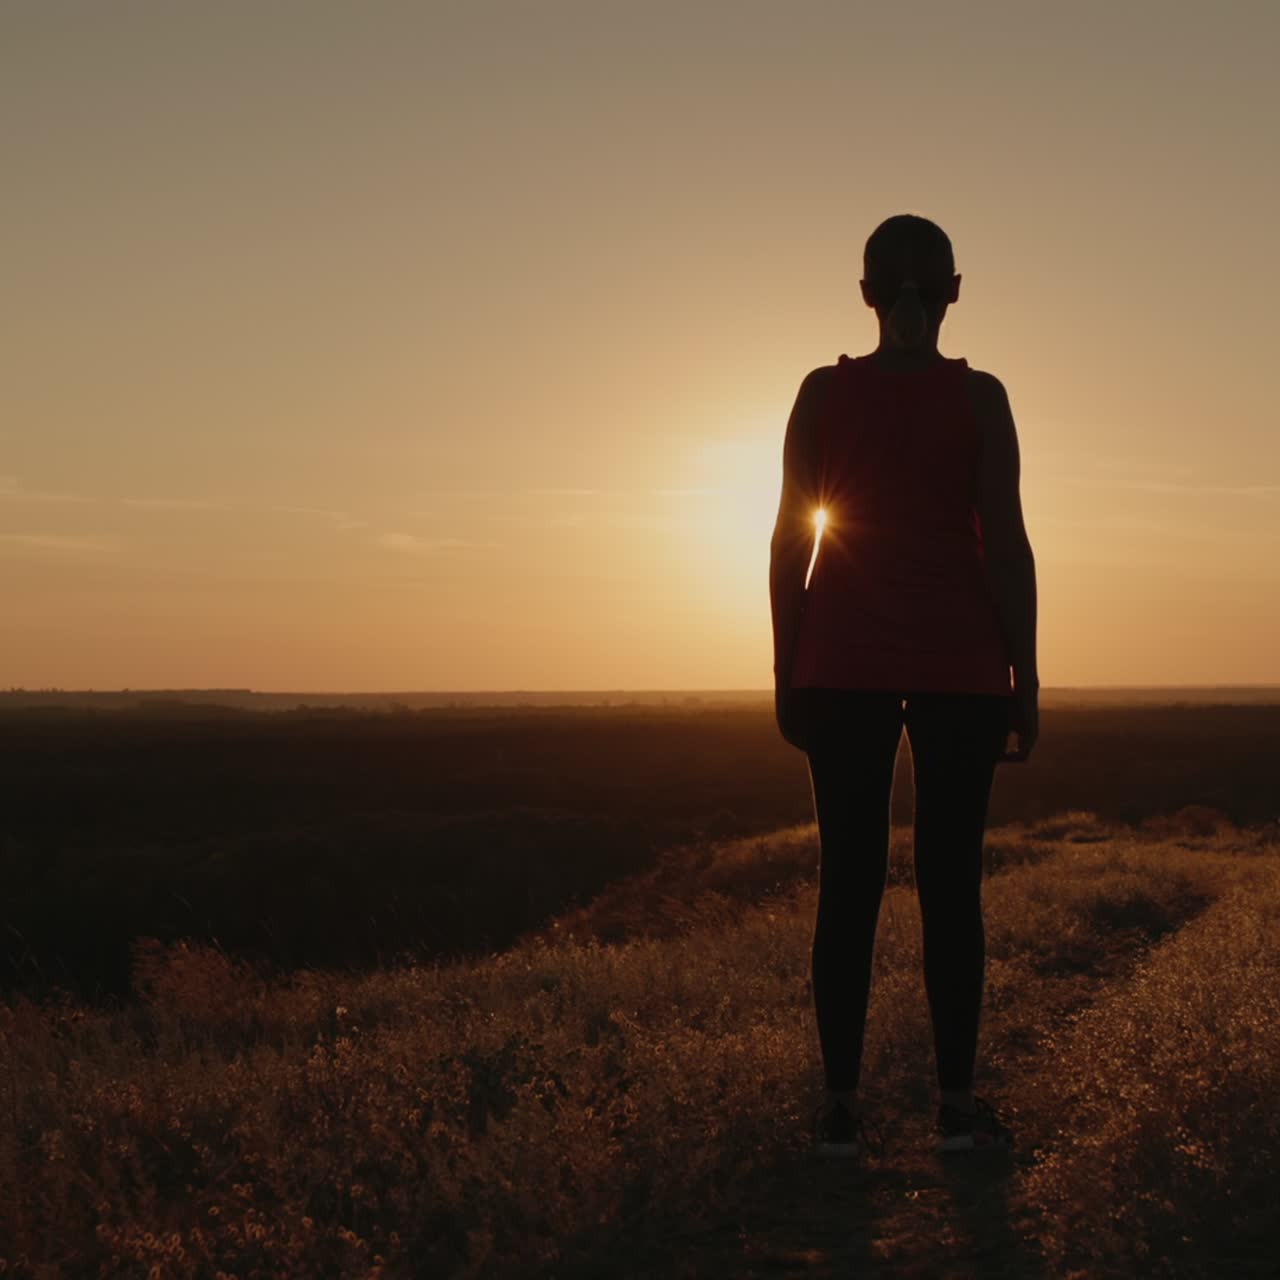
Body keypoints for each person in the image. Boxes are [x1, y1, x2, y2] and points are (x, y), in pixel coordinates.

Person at [769, 213, 1039, 1158]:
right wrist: (1027, 673)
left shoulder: (818, 395)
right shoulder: (983, 399)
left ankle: (841, 1114)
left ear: (868, 296)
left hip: (838, 667)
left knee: (848, 884)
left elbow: (790, 541)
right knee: (949, 885)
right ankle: (956, 1111)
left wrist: (784, 668)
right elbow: (1004, 546)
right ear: (956, 291)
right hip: (964, 670)